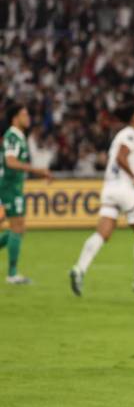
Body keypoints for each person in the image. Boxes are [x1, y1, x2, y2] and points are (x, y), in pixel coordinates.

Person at [70, 103, 134, 296]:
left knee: (103, 233)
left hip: (110, 188)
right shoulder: (131, 134)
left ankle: (79, 268)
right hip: (124, 189)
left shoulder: (123, 134)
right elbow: (121, 157)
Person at [0, 103, 53, 284]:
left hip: (13, 186)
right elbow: (11, 162)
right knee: (17, 227)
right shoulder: (13, 136)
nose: (28, 117)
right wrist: (38, 170)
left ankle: (13, 273)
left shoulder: (18, 136)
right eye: (24, 114)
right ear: (15, 117)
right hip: (8, 187)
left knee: (19, 229)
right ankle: (12, 274)